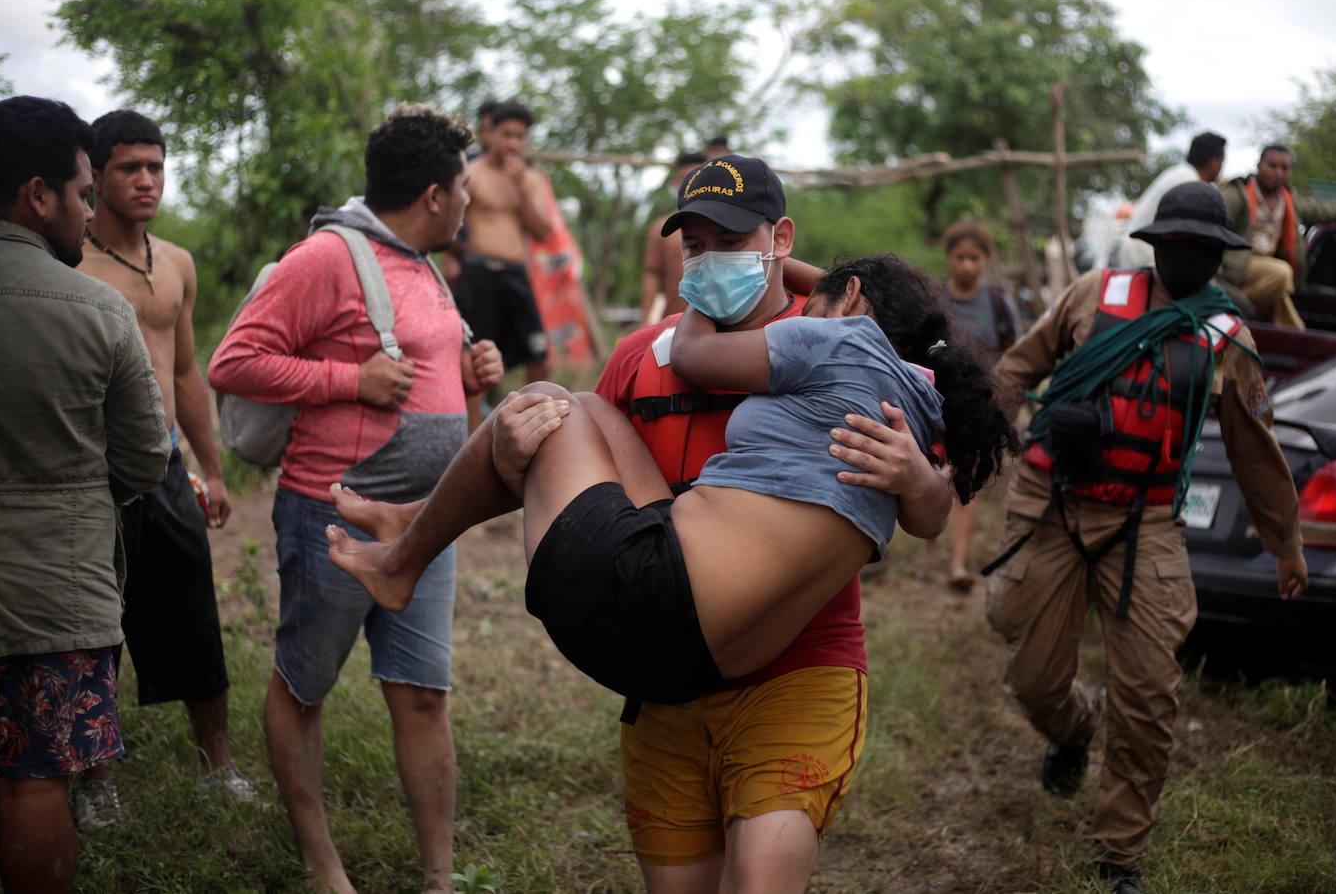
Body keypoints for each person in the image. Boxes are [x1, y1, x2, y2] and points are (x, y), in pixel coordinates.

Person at [333, 155, 1009, 892]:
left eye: (729, 239)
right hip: (671, 641)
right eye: (693, 245)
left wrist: (916, 477)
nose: (709, 259)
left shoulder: (837, 346)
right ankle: (416, 522)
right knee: (553, 414)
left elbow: (932, 519)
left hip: (795, 668)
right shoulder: (640, 357)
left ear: (780, 238)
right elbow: (583, 475)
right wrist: (513, 444)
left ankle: (412, 534)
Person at [328, 251, 1017, 698]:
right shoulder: (919, 410)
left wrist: (706, 287)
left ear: (847, 300)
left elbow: (691, 356)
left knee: (543, 403)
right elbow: (930, 515)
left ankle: (405, 554)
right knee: (593, 408)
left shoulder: (836, 338)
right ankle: (412, 521)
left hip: (646, 594)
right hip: (706, 667)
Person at [984, 182, 1309, 894]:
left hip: (1147, 522)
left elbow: (1258, 452)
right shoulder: (1093, 293)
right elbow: (1017, 368)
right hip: (1055, 503)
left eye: (1202, 250)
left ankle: (1119, 854)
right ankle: (1073, 727)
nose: (1187, 259)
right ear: (1156, 243)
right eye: (1177, 246)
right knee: (1034, 677)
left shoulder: (1229, 338)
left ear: (1219, 256)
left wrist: (1285, 542)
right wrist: (1005, 431)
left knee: (1150, 696)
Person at [209, 104, 500, 894]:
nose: (473, 200)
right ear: (435, 194)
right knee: (303, 687)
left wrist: (475, 375)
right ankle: (320, 862)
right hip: (331, 514)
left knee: (423, 695)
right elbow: (233, 361)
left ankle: (440, 875)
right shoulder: (325, 257)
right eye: (466, 186)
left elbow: (425, 366)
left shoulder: (423, 261)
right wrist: (349, 379)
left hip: (423, 523)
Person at [0, 95, 171, 894]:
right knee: (35, 778)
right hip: (53, 597)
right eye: (78, 192)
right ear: (38, 196)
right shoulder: (98, 308)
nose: (85, 210)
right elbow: (144, 459)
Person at [71, 109, 253, 828]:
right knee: (94, 626)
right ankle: (96, 783)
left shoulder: (176, 261)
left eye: (155, 166)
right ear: (96, 175)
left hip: (168, 466)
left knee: (193, 615)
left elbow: (184, 371)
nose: (146, 180)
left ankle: (219, 764)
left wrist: (211, 468)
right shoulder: (70, 260)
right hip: (92, 470)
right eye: (128, 168)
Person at [938, 220, 1019, 590]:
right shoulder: (934, 299)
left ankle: (957, 564)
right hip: (933, 403)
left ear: (986, 260)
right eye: (960, 257)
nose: (967, 265)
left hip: (977, 408)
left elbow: (1016, 354)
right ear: (949, 258)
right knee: (932, 473)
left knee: (964, 480)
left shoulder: (999, 303)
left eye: (975, 257)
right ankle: (928, 538)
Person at [1219, 144, 1336, 329]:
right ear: (1259, 166)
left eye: (1284, 168)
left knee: (1280, 291)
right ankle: (1229, 306)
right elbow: (1211, 225)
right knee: (1281, 273)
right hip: (1237, 266)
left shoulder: (1288, 199)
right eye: (1272, 166)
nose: (1278, 173)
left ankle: (1292, 335)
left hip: (1267, 269)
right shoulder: (1237, 195)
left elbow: (1320, 210)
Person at [455, 101, 552, 383]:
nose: (512, 143)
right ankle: (473, 428)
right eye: (506, 135)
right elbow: (449, 224)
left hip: (516, 275)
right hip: (478, 273)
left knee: (539, 356)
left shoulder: (531, 180)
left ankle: (535, 421)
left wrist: (521, 186)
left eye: (519, 137)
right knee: (475, 360)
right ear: (491, 134)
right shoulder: (470, 173)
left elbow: (542, 231)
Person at [1116, 132, 1227, 269]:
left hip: (1136, 251)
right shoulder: (1191, 184)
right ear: (1214, 161)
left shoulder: (1181, 173)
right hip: (1144, 257)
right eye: (1222, 161)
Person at [640, 151, 707, 326]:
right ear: (675, 182)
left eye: (697, 177)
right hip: (675, 323)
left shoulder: (732, 226)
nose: (691, 184)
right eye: (685, 178)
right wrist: (645, 320)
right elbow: (652, 274)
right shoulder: (662, 228)